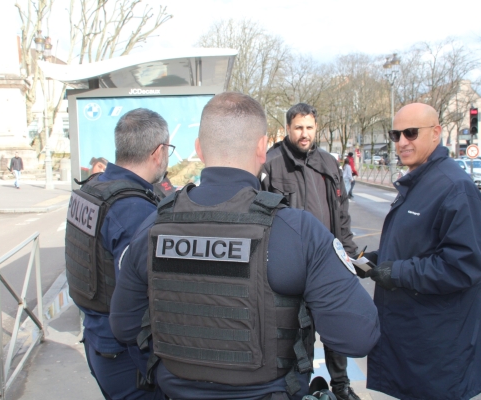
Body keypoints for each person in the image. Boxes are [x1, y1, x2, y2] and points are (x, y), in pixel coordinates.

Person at [109, 92, 380, 400]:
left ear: (199, 149)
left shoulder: (152, 227)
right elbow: (359, 337)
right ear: (262, 148)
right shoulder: (298, 231)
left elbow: (124, 329)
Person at [363, 103, 481, 399]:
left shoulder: (454, 188)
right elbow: (417, 244)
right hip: (413, 345)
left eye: (411, 133)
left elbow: (462, 266)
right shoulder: (420, 181)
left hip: (437, 352)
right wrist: (376, 259)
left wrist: (395, 272)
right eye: (395, 134)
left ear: (436, 133)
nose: (402, 142)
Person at [65, 108, 171, 400]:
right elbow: (141, 299)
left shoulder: (94, 189)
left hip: (97, 341)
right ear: (159, 152)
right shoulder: (134, 211)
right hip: (127, 357)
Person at [259, 103, 360, 400]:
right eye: (298, 128)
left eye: (309, 128)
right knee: (296, 333)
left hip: (328, 262)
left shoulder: (329, 163)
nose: (304, 134)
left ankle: (340, 385)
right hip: (289, 268)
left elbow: (341, 214)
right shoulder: (270, 164)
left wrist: (351, 255)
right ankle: (298, 386)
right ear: (288, 128)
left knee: (334, 326)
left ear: (317, 127)